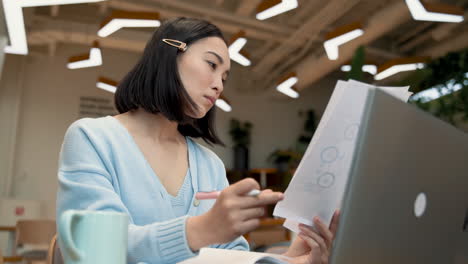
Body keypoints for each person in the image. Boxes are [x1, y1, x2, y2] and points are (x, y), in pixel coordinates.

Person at [56, 17, 339, 264]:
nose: (219, 84)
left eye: (225, 77)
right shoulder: (92, 138)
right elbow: (91, 247)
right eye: (211, 64)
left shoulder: (209, 164)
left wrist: (291, 259)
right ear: (169, 53)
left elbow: (231, 256)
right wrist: (201, 229)